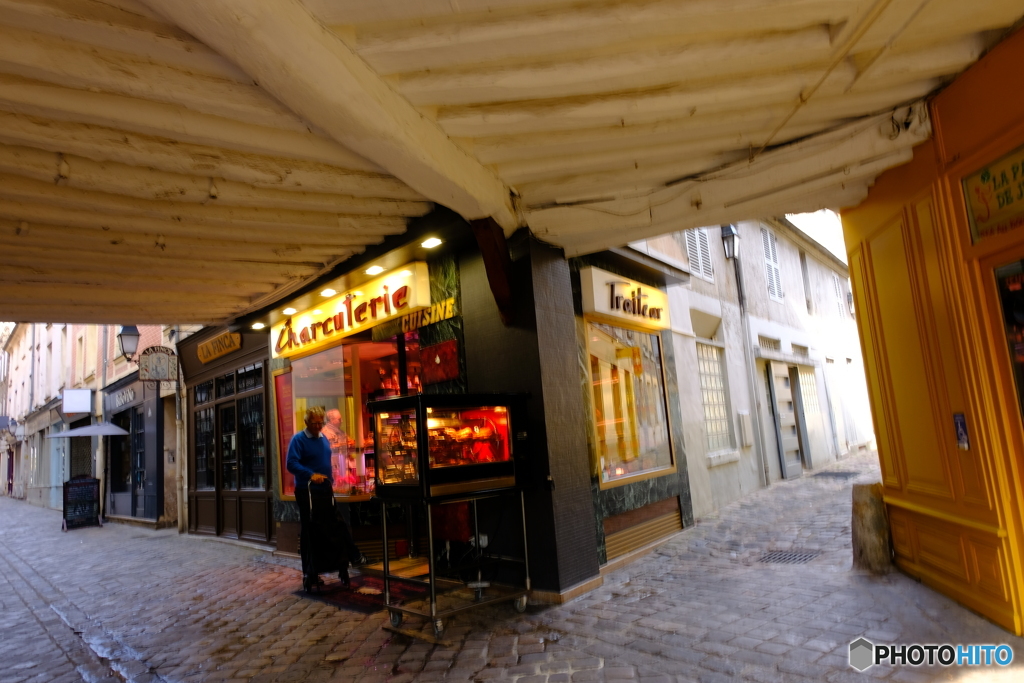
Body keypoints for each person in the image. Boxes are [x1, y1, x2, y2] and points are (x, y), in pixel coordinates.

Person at [287, 407, 368, 588]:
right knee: (311, 530)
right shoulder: (298, 439)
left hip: (325, 489)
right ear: (307, 422)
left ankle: (345, 561)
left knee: (335, 525)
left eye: (320, 423)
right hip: (308, 491)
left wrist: (332, 478)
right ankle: (311, 572)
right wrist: (310, 474)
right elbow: (291, 463)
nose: (318, 426)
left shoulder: (323, 438)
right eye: (314, 423)